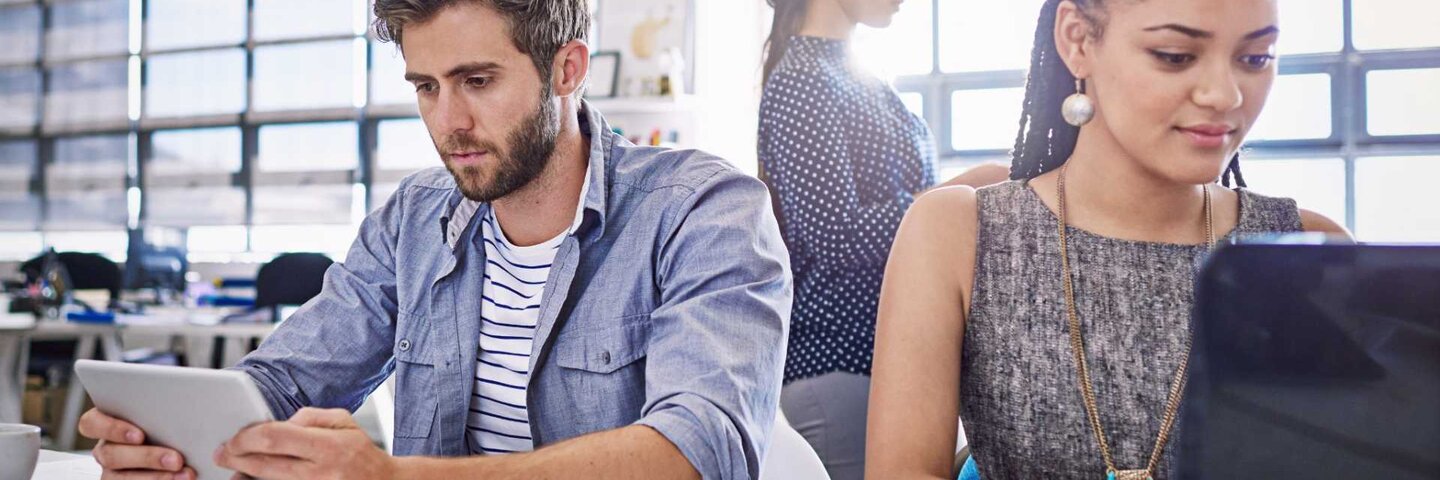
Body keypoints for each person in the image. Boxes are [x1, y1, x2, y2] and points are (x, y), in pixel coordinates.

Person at [78, 1, 792, 479]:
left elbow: (702, 448)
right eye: (425, 86)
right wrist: (171, 439)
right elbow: (281, 382)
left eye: (477, 80)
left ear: (567, 70)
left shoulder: (704, 210)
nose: (448, 122)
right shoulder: (413, 221)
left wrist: (397, 477)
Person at [865, 0, 1350, 479]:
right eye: (1176, 55)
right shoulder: (960, 233)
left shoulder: (1311, 249)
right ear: (1077, 40)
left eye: (1254, 58)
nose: (1225, 96)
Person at [756, 1, 1007, 478]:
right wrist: (958, 191)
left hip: (883, 359)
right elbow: (836, 234)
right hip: (842, 359)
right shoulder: (801, 81)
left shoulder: (850, 73)